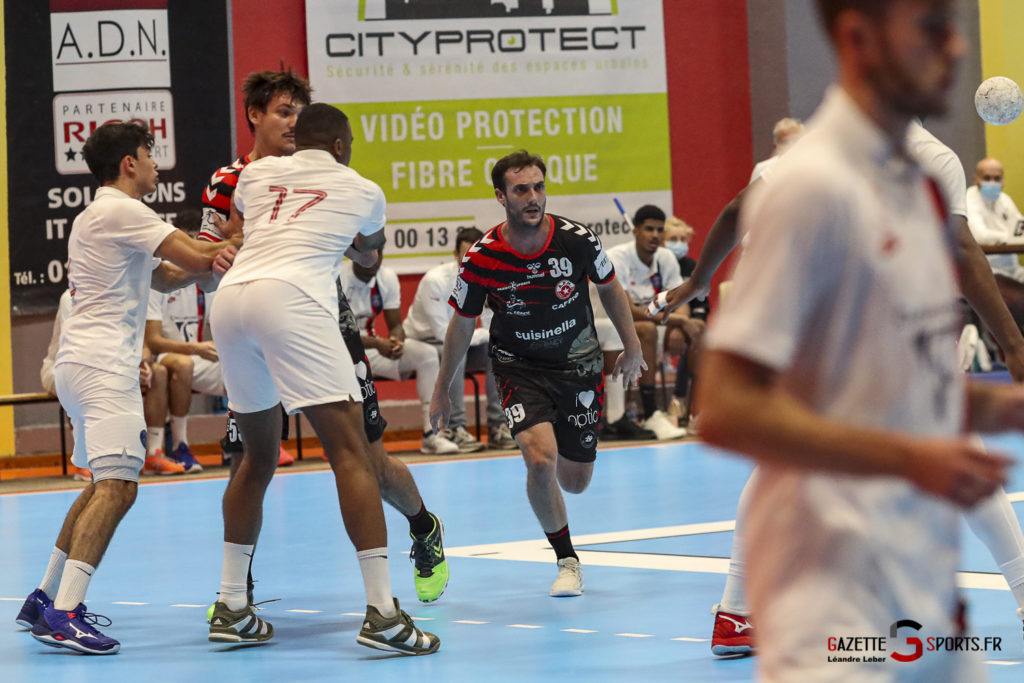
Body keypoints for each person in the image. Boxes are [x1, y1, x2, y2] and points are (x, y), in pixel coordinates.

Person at [697, 2, 1022, 679]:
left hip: (917, 571)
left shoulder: (916, 175)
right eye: (931, 28)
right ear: (858, 38)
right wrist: (910, 453)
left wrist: (997, 408)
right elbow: (727, 409)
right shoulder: (810, 185)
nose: (956, 49)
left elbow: (882, 378)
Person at [207, 103, 439, 654]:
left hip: (232, 302)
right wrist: (356, 241)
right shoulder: (363, 187)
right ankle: (383, 614)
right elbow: (368, 252)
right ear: (340, 145)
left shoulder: (256, 173)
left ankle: (231, 605)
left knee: (257, 457)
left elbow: (251, 218)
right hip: (295, 302)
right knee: (351, 453)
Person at [16, 121, 229, 654]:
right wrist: (253, 232)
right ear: (129, 164)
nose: (157, 164)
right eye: (149, 154)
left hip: (79, 366)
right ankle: (66, 613)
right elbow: (199, 258)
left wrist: (214, 257)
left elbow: (170, 276)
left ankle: (44, 599)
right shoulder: (123, 209)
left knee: (98, 484)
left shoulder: (99, 214)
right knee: (120, 486)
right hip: (104, 367)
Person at [430, 149, 645, 596]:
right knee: (541, 460)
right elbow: (462, 322)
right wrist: (442, 389)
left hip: (578, 365)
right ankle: (567, 560)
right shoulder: (483, 256)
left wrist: (632, 345)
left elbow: (610, 290)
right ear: (501, 196)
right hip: (518, 367)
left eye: (539, 187)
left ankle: (564, 489)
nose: (533, 197)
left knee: (575, 481)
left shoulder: (577, 240)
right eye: (521, 189)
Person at [200, 69, 312, 469]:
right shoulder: (227, 181)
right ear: (254, 115)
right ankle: (242, 534)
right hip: (247, 320)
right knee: (247, 456)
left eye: (300, 112)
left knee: (355, 437)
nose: (294, 122)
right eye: (284, 112)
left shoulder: (314, 176)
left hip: (307, 315)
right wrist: (227, 248)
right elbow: (208, 255)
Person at [39, 292, 183, 479]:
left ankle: (154, 454)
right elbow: (80, 352)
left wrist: (142, 363)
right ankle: (85, 460)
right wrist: (126, 368)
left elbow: (143, 345)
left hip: (112, 366)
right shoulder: (71, 298)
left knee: (159, 373)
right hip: (64, 368)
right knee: (81, 377)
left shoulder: (125, 297)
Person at [339, 252, 460, 455]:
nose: (374, 259)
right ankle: (347, 441)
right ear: (354, 253)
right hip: (341, 354)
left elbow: (395, 325)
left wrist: (397, 341)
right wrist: (378, 343)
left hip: (373, 351)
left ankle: (432, 435)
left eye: (379, 252)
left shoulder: (386, 277)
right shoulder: (338, 278)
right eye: (370, 252)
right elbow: (338, 332)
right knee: (352, 367)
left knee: (427, 354)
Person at [403, 227, 504, 452]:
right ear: (455, 255)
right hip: (423, 343)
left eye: (478, 254)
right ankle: (455, 427)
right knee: (458, 348)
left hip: (462, 341)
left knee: (497, 348)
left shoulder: (489, 279)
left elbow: (492, 325)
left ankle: (499, 426)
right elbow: (443, 334)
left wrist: (491, 337)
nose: (472, 260)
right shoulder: (435, 281)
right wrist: (479, 335)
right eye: (466, 255)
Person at [606, 204, 701, 439]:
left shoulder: (666, 257)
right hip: (615, 326)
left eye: (660, 230)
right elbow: (628, 310)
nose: (655, 235)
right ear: (636, 230)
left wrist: (682, 322)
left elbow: (683, 301)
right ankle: (651, 413)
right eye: (649, 229)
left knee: (698, 328)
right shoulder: (617, 257)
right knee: (647, 329)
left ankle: (696, 412)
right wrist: (677, 321)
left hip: (660, 321)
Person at [144, 213, 225, 474]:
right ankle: (180, 445)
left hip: (199, 357)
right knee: (183, 364)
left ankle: (242, 441)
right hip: (167, 357)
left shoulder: (207, 282)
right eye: (184, 241)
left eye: (194, 241)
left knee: (248, 365)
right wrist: (197, 348)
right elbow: (154, 342)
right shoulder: (158, 281)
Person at [966, 157, 1024, 325]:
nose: (992, 182)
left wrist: (1007, 238)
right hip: (988, 271)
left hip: (1013, 268)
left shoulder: (1005, 200)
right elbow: (980, 235)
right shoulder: (970, 198)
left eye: (997, 178)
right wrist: (1008, 237)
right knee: (1018, 298)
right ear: (976, 178)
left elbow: (1020, 227)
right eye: (987, 177)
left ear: (1003, 180)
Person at [748, 117, 804, 183]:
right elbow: (753, 193)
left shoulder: (811, 170)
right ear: (777, 144)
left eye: (795, 141)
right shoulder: (763, 170)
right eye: (785, 142)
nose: (791, 146)